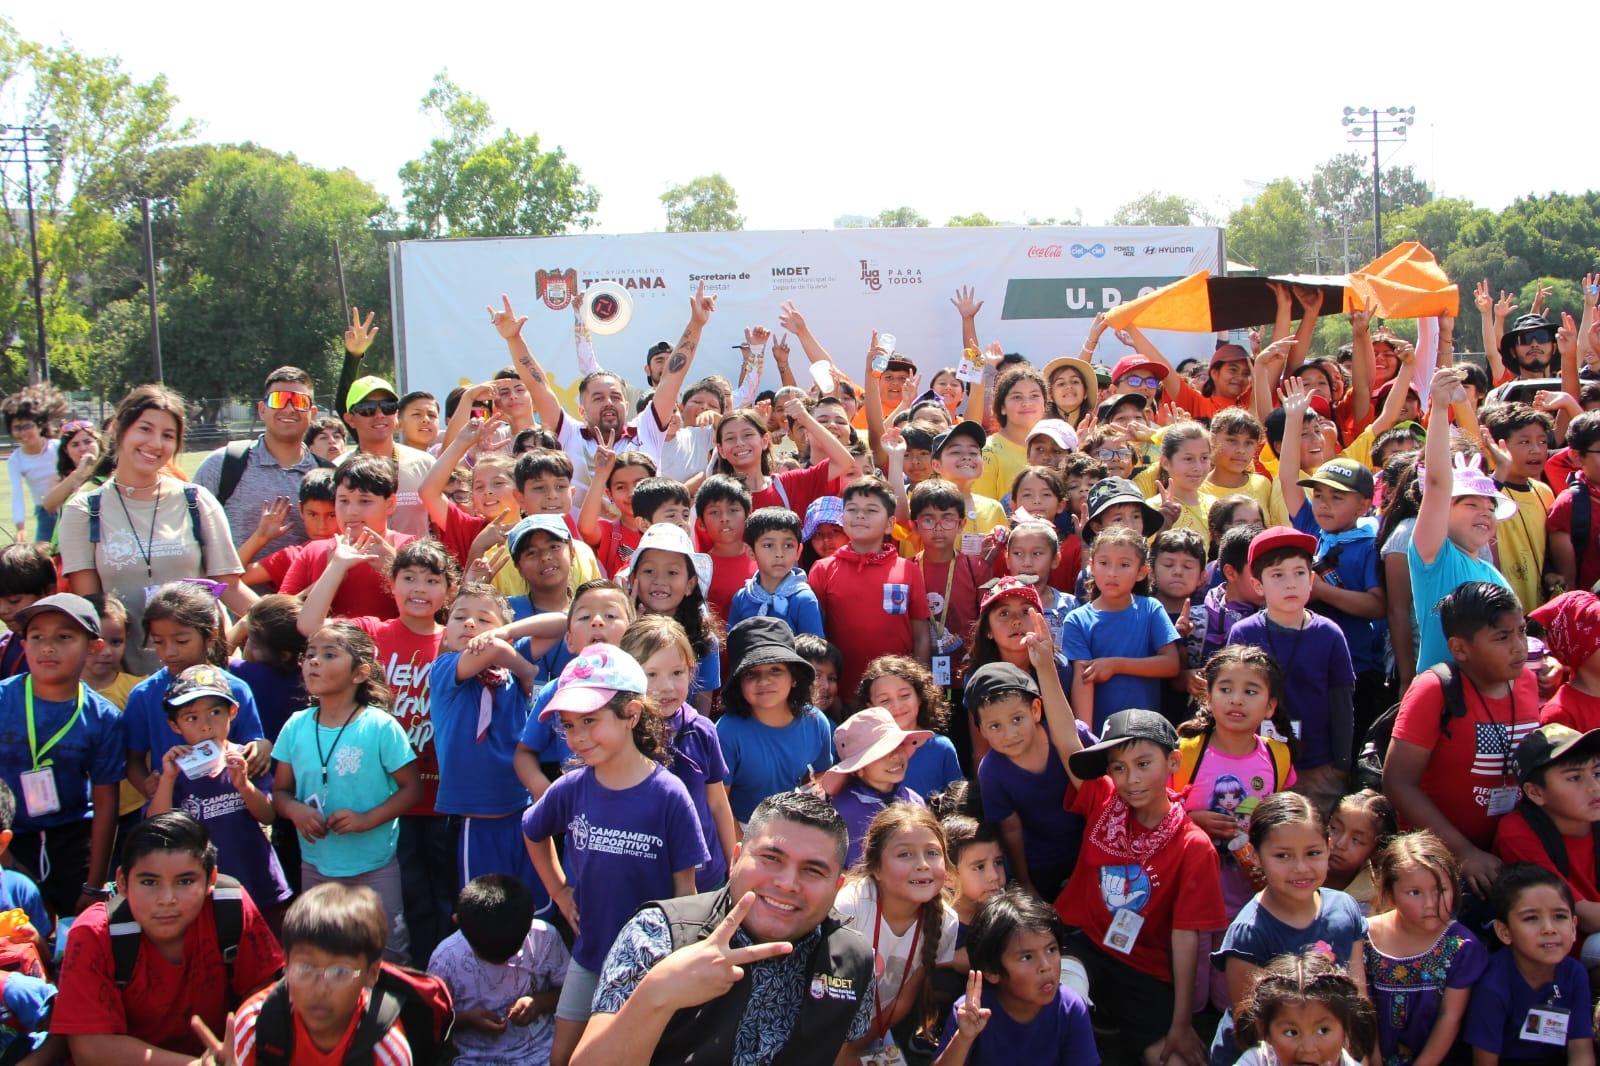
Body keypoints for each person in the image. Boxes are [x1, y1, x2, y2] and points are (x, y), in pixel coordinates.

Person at [576, 791, 875, 1066]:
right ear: (735, 860)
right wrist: (658, 992)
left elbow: (839, 1053)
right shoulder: (658, 933)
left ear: (837, 887)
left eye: (813, 870)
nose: (787, 883)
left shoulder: (854, 959)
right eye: (771, 858)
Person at [521, 643, 707, 1066]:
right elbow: (532, 833)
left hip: (650, 967)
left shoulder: (669, 795)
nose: (578, 736)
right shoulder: (571, 788)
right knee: (564, 1058)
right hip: (589, 954)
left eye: (590, 720)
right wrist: (562, 892)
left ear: (631, 715)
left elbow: (685, 891)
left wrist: (675, 968)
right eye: (568, 725)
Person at [1044, 689, 1226, 1066]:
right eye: (1119, 767)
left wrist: (1181, 1023)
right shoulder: (1104, 798)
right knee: (1061, 1001)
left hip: (1144, 966)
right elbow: (1066, 741)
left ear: (1173, 761)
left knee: (1175, 1059)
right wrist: (1045, 663)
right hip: (1086, 942)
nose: (1131, 779)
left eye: (1144, 763)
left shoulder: (1194, 845)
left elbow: (1186, 934)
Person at [53, 813, 284, 1064]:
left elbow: (264, 995)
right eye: (150, 882)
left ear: (211, 880)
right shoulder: (93, 933)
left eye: (185, 881)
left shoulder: (230, 906)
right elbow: (90, 1049)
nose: (166, 899)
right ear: (121, 882)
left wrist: (236, 1047)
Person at [59, 385, 256, 674]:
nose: (155, 443)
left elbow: (230, 586)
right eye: (145, 429)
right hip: (125, 679)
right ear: (118, 429)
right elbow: (91, 608)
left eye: (168, 435)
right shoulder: (84, 510)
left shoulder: (197, 501)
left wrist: (282, 616)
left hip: (202, 677)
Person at [491, 284, 715, 511]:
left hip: (641, 543)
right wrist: (514, 339)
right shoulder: (568, 433)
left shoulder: (648, 428)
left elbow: (672, 376)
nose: (608, 402)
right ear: (581, 410)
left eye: (615, 396)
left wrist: (696, 324)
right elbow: (538, 385)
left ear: (626, 405)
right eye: (598, 398)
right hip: (581, 545)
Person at [272, 622, 422, 962]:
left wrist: (367, 819)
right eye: (309, 655)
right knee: (324, 948)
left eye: (328, 655)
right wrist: (295, 811)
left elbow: (411, 789)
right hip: (316, 866)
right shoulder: (296, 725)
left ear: (360, 672)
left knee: (389, 951)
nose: (313, 662)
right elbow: (280, 792)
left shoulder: (380, 726)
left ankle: (392, 1013)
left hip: (375, 865)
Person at [1383, 581, 1540, 901]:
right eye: (1502, 637)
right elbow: (1398, 783)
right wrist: (1463, 852)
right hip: (1441, 863)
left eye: (1521, 631)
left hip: (1507, 855)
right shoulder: (1433, 689)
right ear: (1460, 649)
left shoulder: (1528, 680)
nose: (1519, 646)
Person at [1172, 645, 1297, 1012]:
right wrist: (1190, 821)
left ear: (1270, 706)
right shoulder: (1185, 751)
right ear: (1208, 696)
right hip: (1191, 898)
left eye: (1251, 691)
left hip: (1250, 900)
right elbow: (1154, 815)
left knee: (1235, 999)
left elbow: (1285, 821)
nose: (1236, 700)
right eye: (1225, 689)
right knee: (1192, 996)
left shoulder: (1277, 756)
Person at [1208, 793, 1368, 1066]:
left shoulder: (1345, 910)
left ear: (1328, 848)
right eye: (1283, 855)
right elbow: (1253, 1028)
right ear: (1256, 856)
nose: (1301, 868)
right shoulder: (1250, 933)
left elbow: (1357, 1001)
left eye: (1313, 853)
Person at [0, 594, 124, 919]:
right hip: (8, 840)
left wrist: (95, 883)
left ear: (93, 647)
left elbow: (106, 801)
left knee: (74, 937)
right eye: (37, 637)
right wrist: (7, 859)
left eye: (64, 637)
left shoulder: (103, 718)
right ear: (23, 644)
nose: (47, 647)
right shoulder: (3, 700)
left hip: (73, 841)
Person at [148, 664, 290, 927]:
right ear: (174, 725)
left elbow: (268, 815)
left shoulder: (245, 757)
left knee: (270, 955)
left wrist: (244, 784)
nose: (206, 726)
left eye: (215, 712)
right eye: (192, 718)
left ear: (232, 712)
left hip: (257, 879)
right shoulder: (175, 767)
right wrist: (167, 779)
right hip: (203, 889)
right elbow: (157, 828)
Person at [1227, 526, 1355, 807]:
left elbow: (1342, 701)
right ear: (1258, 584)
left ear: (1311, 580)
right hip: (1258, 760)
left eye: (1299, 573)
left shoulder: (1330, 634)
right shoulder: (1243, 633)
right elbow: (1231, 700)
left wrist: (1342, 763)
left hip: (1319, 766)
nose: (1290, 583)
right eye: (1277, 575)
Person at [227, 882, 416, 1065]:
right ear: (286, 964)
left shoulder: (387, 1052)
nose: (320, 989)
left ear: (371, 973)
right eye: (305, 969)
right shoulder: (255, 1025)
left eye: (340, 972)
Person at [1408, 361, 1517, 672]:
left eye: (1491, 507)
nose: (1485, 511)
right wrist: (1440, 409)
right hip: (1446, 703)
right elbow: (1438, 484)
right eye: (1471, 504)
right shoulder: (1434, 559)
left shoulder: (1491, 572)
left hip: (1494, 701)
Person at [833, 805, 960, 1061]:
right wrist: (841, 1053)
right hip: (823, 1028)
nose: (922, 864)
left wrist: (857, 1046)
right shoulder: (850, 906)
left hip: (872, 1032)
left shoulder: (946, 921)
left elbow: (902, 999)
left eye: (932, 853)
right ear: (876, 868)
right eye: (905, 854)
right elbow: (822, 997)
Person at [621, 616, 739, 891]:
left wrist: (734, 859)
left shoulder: (702, 730)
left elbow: (718, 802)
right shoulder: (623, 733)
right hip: (646, 880)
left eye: (677, 673)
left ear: (691, 671)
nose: (667, 687)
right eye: (651, 674)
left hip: (707, 876)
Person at [1361, 830, 1487, 1066]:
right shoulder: (1364, 937)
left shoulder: (1461, 946)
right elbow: (1362, 1006)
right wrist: (1373, 1058)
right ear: (1390, 892)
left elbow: (1449, 1017)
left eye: (1440, 890)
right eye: (1415, 892)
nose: (1430, 904)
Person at [935, 888, 1098, 1066]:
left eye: (1051, 950)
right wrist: (964, 1038)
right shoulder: (970, 1012)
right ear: (991, 972)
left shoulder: (1069, 1006)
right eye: (1027, 957)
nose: (1046, 966)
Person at [427, 874, 569, 1066]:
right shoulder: (446, 958)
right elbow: (431, 1020)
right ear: (458, 922)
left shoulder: (545, 938)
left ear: (531, 918)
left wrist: (539, 1003)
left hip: (543, 1052)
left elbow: (571, 995)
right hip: (476, 1059)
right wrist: (468, 1019)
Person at [811, 477, 932, 695]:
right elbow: (817, 639)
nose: (860, 515)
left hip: (897, 694)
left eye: (871, 510)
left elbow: (921, 635)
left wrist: (919, 686)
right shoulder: (822, 569)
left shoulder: (908, 569)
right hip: (844, 694)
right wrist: (830, 693)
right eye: (852, 509)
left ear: (889, 524)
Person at [1463, 864, 1594, 1065]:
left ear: (1574, 927)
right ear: (1504, 932)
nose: (1549, 929)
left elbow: (1581, 1051)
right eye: (1531, 918)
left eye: (1559, 916)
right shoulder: (1492, 985)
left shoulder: (1574, 974)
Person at [1492, 724, 1600, 963]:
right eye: (1574, 778)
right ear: (1535, 792)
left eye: (1597, 773)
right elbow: (1587, 917)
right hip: (1570, 945)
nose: (1594, 787)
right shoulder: (1519, 832)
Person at [193, 367, 327, 556]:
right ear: (262, 410)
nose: (289, 409)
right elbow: (190, 533)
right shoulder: (223, 464)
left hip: (313, 586)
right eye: (279, 400)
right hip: (232, 584)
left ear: (312, 413)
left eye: (299, 401)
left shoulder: (328, 474)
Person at [1061, 527, 1183, 733]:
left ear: (1142, 572)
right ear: (1091, 566)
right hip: (1103, 735)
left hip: (1146, 731)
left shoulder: (1151, 609)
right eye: (1103, 563)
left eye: (1124, 565)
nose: (1112, 573)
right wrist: (1087, 737)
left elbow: (1171, 664)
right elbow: (1083, 681)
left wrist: (1116, 665)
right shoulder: (1077, 620)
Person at [715, 616, 834, 825]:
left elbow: (822, 777)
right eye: (751, 674)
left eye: (775, 670)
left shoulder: (816, 721)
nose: (764, 681)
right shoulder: (725, 733)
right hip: (742, 830)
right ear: (737, 683)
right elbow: (718, 804)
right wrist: (742, 850)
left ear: (794, 677)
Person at [281, 455, 419, 620]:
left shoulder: (412, 549)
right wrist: (331, 575)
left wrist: (396, 570)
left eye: (364, 501)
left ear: (390, 504)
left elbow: (437, 616)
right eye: (343, 501)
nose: (351, 511)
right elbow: (279, 618)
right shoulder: (314, 551)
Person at [822, 707, 932, 867]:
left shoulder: (915, 800)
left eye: (899, 745)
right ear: (858, 768)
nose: (895, 755)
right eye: (882, 751)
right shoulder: (843, 812)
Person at [1232, 949, 1379, 1066]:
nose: (1308, 1049)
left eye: (1323, 1030)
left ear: (1346, 1027)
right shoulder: (1255, 1061)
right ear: (1264, 1029)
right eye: (1291, 1032)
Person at [858, 655, 965, 799]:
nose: (896, 706)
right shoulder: (863, 754)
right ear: (870, 707)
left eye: (904, 695)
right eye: (885, 700)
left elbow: (956, 801)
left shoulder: (941, 747)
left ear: (919, 697)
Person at [727, 506, 824, 637]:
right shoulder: (742, 598)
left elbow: (813, 655)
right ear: (750, 551)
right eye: (768, 545)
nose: (779, 554)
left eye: (788, 545)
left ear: (798, 551)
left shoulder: (804, 599)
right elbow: (732, 646)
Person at [1324, 790, 1396, 914]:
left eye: (1357, 840)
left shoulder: (1374, 900)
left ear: (1376, 851)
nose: (1340, 844)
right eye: (1334, 828)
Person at [4, 401, 58, 544]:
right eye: (17, 428)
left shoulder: (58, 448)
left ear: (40, 425)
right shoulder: (16, 459)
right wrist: (20, 527)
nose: (23, 433)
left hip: (70, 507)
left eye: (27, 426)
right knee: (42, 558)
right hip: (45, 513)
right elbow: (17, 494)